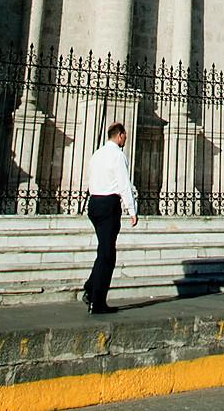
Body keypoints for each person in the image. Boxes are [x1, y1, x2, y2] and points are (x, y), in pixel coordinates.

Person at [81, 122, 137, 316]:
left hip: (94, 203)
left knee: (103, 249)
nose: (126, 139)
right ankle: (97, 302)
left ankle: (90, 286)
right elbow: (124, 184)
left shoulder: (97, 154)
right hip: (108, 205)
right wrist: (132, 209)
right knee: (108, 255)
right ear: (119, 135)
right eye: (125, 136)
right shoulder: (118, 155)